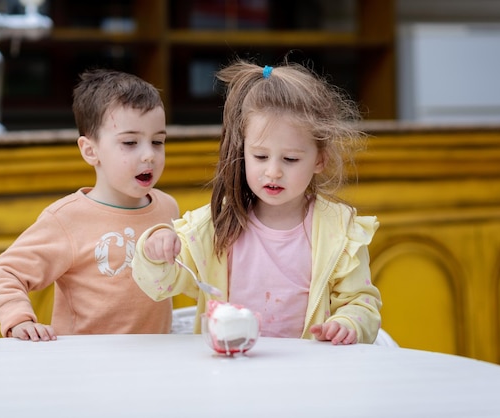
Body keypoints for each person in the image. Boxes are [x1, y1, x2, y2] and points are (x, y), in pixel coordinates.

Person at [132, 58, 382, 345]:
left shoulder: (339, 230)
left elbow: (361, 302)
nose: (273, 171)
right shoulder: (216, 224)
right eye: (260, 157)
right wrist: (155, 248)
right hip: (231, 372)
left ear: (320, 159)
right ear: (243, 151)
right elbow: (160, 284)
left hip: (308, 376)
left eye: (290, 159)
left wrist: (347, 323)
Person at [0, 68, 180, 341]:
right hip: (85, 368)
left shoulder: (167, 208)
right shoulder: (67, 219)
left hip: (153, 366)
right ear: (90, 150)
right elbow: (5, 273)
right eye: (130, 142)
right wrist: (19, 321)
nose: (149, 155)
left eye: (157, 141)